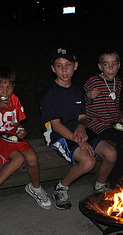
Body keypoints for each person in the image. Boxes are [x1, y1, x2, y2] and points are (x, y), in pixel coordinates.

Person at [0, 65, 52, 221]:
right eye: (0, 87)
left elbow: (16, 123)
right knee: (18, 159)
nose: (5, 92)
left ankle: (35, 188)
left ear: (13, 87)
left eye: (9, 87)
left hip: (11, 136)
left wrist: (20, 129)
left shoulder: (14, 100)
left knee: (32, 157)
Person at [41, 47, 116, 209]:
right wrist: (80, 141)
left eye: (68, 65)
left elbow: (82, 118)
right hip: (57, 134)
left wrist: (82, 127)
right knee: (88, 162)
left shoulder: (77, 90)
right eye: (59, 66)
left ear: (75, 66)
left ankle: (100, 187)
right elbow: (56, 125)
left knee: (111, 153)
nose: (64, 70)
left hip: (76, 130)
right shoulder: (50, 94)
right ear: (53, 69)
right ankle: (61, 188)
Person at [84, 47, 123, 188]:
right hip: (98, 126)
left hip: (114, 124)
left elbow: (115, 107)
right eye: (106, 64)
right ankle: (116, 179)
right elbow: (80, 101)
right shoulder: (93, 82)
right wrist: (87, 96)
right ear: (100, 67)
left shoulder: (118, 83)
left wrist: (122, 117)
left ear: (119, 65)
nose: (110, 68)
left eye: (114, 64)